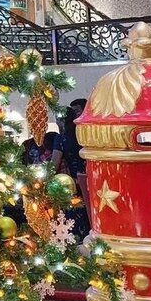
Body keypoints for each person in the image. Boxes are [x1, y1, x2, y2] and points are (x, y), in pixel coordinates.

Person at [51, 98, 90, 242]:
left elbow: (54, 164)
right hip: (90, 180)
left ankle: (76, 241)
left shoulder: (61, 138)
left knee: (74, 214)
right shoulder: (85, 134)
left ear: (61, 120)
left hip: (72, 183)